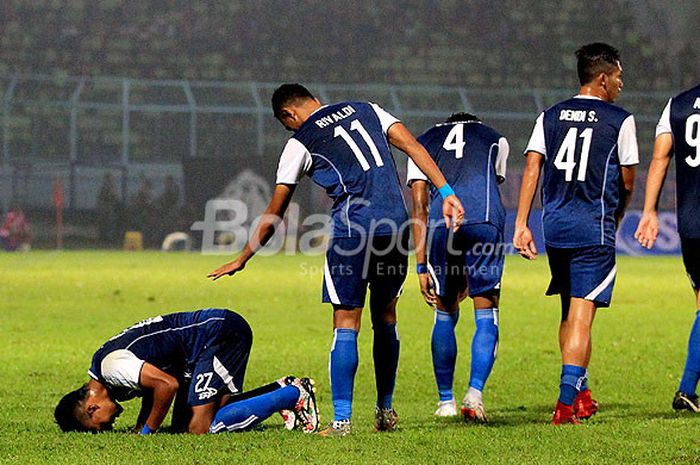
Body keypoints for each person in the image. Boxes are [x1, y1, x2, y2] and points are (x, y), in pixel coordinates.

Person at [208, 83, 464, 436]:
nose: (291, 130)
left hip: (352, 232)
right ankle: (385, 410)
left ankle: (342, 421)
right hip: (394, 226)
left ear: (288, 114)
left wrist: (244, 256)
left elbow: (275, 210)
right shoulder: (368, 108)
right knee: (386, 316)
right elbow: (413, 146)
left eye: (288, 125)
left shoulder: (300, 142)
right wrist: (447, 191)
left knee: (346, 322)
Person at [513, 43, 638, 425]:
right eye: (617, 76)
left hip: (556, 227)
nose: (621, 82)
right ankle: (566, 404)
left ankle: (581, 395)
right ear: (602, 79)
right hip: (592, 225)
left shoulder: (548, 116)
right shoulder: (620, 119)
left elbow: (532, 167)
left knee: (569, 311)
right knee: (582, 318)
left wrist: (521, 224)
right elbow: (628, 178)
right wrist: (616, 215)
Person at [54, 308, 318, 434]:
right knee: (185, 423)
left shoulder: (111, 368)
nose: (111, 425)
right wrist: (140, 425)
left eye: (103, 425)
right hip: (202, 346)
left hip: (217, 335)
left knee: (199, 426)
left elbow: (166, 385)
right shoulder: (107, 374)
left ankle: (294, 395)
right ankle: (280, 389)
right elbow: (151, 385)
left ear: (91, 408)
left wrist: (146, 432)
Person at [407, 112, 508, 422]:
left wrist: (421, 265)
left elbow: (420, 206)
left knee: (445, 308)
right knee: (486, 310)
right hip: (484, 217)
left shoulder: (422, 141)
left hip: (441, 222)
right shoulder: (495, 138)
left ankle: (445, 401)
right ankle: (474, 395)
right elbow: (491, 183)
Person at [635, 84, 700, 412]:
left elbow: (660, 157)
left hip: (689, 222)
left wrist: (649, 211)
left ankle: (689, 389)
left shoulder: (677, 104)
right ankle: (686, 389)